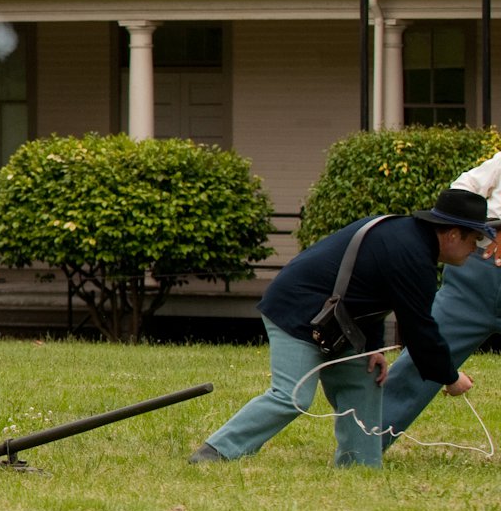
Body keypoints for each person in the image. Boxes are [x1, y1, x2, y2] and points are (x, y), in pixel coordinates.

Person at [190, 187, 487, 469]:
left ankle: (360, 466)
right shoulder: (413, 256)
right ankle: (216, 452)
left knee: (365, 379)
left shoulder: (407, 238)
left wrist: (371, 348)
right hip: (297, 311)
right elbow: (420, 331)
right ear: (452, 234)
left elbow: (366, 290)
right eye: (474, 239)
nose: (475, 249)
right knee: (291, 396)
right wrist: (450, 377)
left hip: (334, 321)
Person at [380, 149, 501, 445]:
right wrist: (491, 228)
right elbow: (462, 188)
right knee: (425, 356)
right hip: (477, 274)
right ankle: (365, 442)